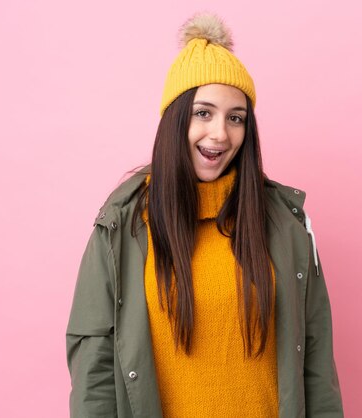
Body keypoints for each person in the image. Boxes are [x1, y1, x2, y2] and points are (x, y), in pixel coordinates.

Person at [66, 12, 343, 418]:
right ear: (175, 119)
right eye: (203, 113)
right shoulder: (121, 226)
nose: (220, 134)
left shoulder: (284, 225)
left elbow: (317, 363)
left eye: (236, 118)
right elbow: (94, 367)